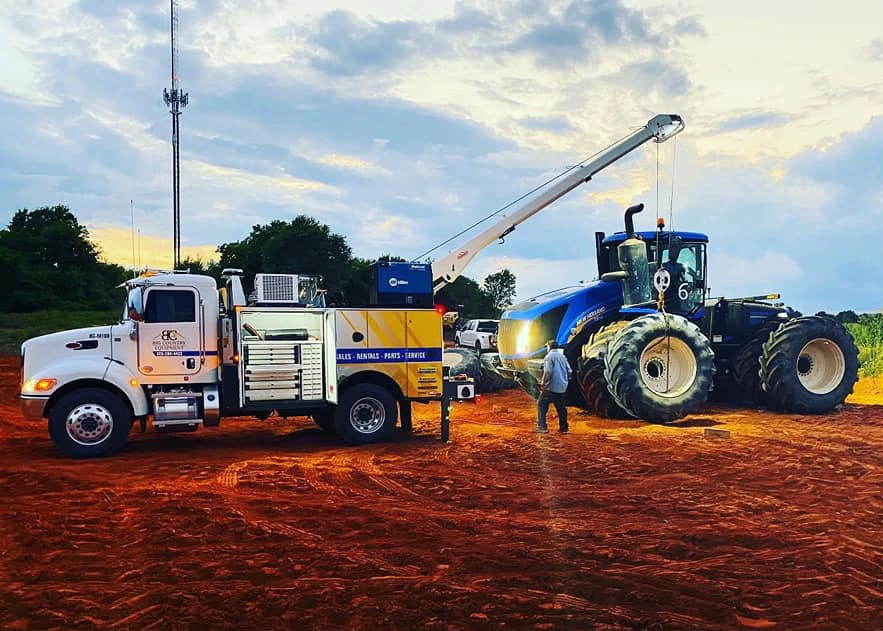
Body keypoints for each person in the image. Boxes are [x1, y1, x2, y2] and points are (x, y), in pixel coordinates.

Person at [537, 339, 572, 433]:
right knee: (561, 407)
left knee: (541, 404)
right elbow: (569, 371)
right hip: (561, 386)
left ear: (549, 347)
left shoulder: (549, 356)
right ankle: (564, 428)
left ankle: (542, 427)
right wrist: (564, 380)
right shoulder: (562, 356)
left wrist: (543, 383)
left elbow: (548, 372)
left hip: (551, 387)